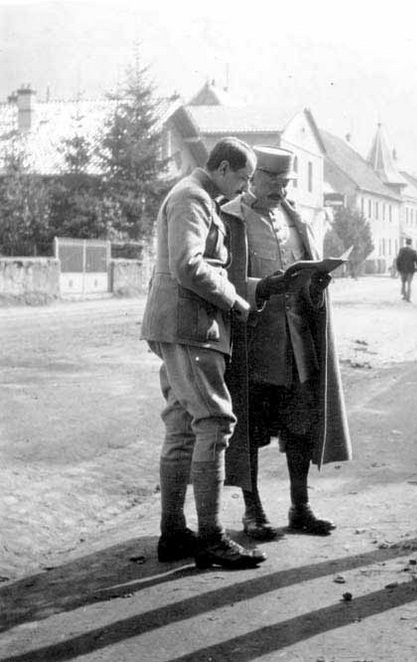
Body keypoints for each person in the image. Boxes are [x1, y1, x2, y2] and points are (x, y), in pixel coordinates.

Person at [140, 137, 267, 570]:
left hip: (183, 325)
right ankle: (211, 539)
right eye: (244, 178)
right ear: (225, 167)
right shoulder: (192, 197)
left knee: (182, 426)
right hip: (189, 327)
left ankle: (174, 532)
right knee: (214, 420)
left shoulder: (199, 196)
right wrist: (235, 301)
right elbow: (188, 265)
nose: (246, 188)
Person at [221, 145, 352, 541]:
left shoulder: (295, 219)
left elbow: (306, 283)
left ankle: (300, 507)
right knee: (249, 429)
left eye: (285, 182)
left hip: (296, 346)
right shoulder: (229, 219)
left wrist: (316, 283)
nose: (279, 189)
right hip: (253, 346)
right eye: (271, 180)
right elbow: (219, 282)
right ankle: (252, 510)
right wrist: (263, 287)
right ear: (252, 176)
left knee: (299, 425)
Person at [395, 238, 417, 302]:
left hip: (403, 270)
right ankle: (408, 298)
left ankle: (404, 295)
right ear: (411, 244)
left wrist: (398, 268)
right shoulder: (413, 251)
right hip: (410, 270)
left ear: (405, 243)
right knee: (409, 284)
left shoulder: (401, 250)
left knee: (403, 283)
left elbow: (398, 259)